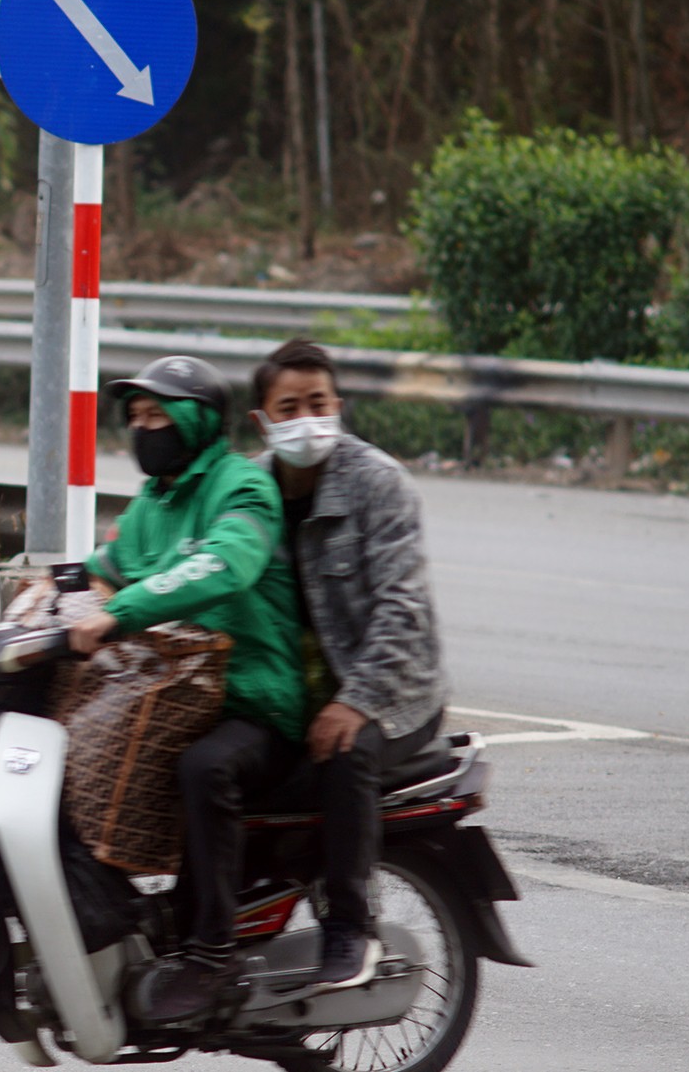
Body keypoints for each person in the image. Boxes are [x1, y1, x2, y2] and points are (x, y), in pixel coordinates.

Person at [63, 355, 304, 1023]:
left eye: (157, 415)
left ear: (197, 421)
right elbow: (103, 570)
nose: (143, 428)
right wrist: (45, 603)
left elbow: (223, 563)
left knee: (205, 767)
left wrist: (119, 610)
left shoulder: (242, 490)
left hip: (252, 697)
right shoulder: (154, 501)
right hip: (175, 693)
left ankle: (213, 951)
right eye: (136, 416)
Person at [249, 337, 446, 993]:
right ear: (263, 420)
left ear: (339, 405)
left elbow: (403, 610)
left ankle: (351, 927)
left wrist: (355, 699)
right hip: (298, 697)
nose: (307, 418)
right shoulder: (250, 491)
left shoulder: (378, 484)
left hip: (393, 697)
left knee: (345, 752)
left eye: (319, 402)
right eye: (290, 406)